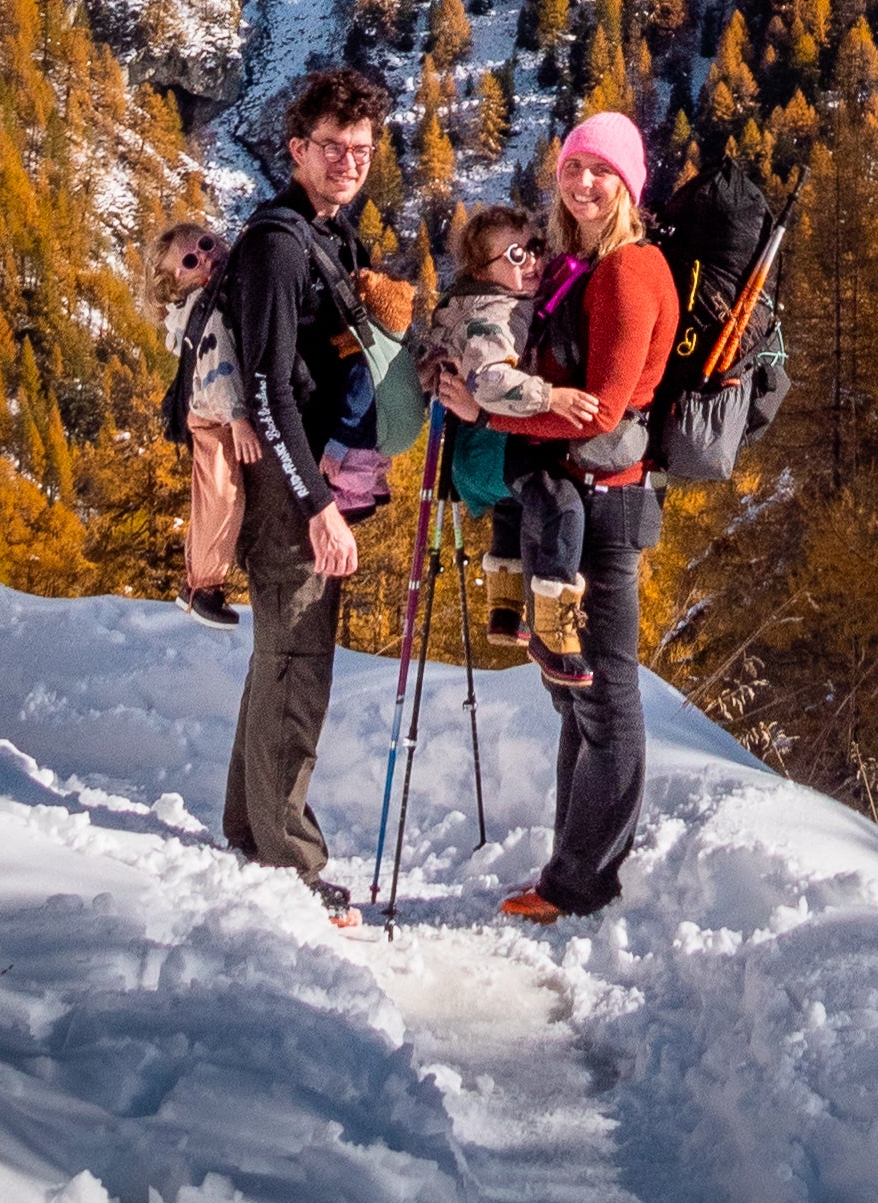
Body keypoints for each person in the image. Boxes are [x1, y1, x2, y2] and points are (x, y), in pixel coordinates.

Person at [451, 110, 678, 923]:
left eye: (601, 170)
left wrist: (488, 415)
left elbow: (603, 407)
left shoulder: (626, 270)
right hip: (574, 495)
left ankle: (583, 883)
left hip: (608, 501)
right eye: (574, 166)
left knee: (605, 695)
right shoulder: (578, 265)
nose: (583, 182)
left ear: (629, 184)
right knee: (574, 691)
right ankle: (569, 868)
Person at [221, 63, 398, 922]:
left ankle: (249, 826)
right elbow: (267, 390)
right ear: (297, 148)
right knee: (298, 663)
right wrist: (316, 506)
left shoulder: (330, 236)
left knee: (281, 659)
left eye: (361, 147)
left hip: (305, 477)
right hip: (288, 486)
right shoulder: (278, 245)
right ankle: (289, 856)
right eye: (333, 146)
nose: (349, 161)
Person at [409, 205, 600, 656]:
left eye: (535, 247)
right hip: (493, 443)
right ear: (482, 270)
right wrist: (551, 398)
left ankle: (505, 609)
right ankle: (554, 628)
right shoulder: (495, 313)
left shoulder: (464, 301)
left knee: (511, 508)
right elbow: (490, 382)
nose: (532, 261)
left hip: (469, 454)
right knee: (562, 506)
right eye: (515, 255)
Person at [152, 220, 248, 627]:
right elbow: (219, 366)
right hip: (214, 416)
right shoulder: (207, 310)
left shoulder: (211, 297)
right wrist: (238, 418)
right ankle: (203, 587)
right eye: (191, 261)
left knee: (212, 496)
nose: (205, 257)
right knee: (222, 498)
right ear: (177, 280)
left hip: (209, 413)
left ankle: (199, 582)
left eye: (205, 244)